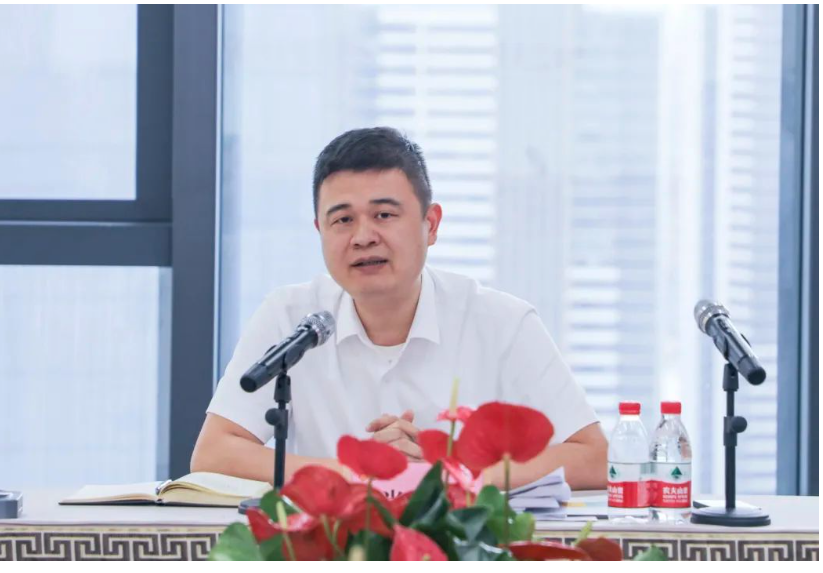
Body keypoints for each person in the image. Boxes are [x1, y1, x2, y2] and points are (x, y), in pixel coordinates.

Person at [191, 127, 607, 490]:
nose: (363, 237)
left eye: (384, 214)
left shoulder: (502, 322)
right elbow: (214, 452)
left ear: (431, 224)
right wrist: (356, 472)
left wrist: (446, 477)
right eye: (342, 220)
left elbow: (594, 457)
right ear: (320, 230)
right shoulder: (291, 318)